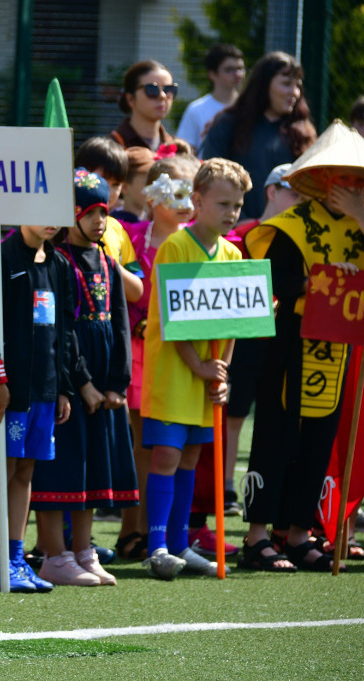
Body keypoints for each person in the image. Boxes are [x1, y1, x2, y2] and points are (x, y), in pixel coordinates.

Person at [241, 121, 364, 572]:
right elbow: (275, 279)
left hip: (341, 352)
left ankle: (299, 533)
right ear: (321, 178)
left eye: (360, 179)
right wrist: (325, 281)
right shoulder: (290, 226)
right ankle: (257, 536)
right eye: (342, 176)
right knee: (276, 436)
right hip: (289, 345)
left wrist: (361, 219)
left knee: (319, 442)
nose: (351, 186)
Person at [140, 158, 250, 579]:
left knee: (190, 457)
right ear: (197, 200)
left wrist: (219, 373)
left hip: (205, 377)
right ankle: (157, 546)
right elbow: (172, 320)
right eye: (223, 203)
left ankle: (181, 542)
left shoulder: (233, 253)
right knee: (167, 454)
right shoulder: (175, 247)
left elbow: (235, 323)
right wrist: (199, 367)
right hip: (174, 372)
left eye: (238, 205)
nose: (231, 213)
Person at [30, 170, 135, 587]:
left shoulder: (108, 261)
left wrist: (116, 383)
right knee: (62, 466)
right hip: (70, 382)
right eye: (88, 212)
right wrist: (83, 383)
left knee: (92, 466)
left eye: (103, 213)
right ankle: (54, 554)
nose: (98, 221)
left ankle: (84, 550)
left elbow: (122, 323)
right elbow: (62, 329)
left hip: (102, 382)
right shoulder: (55, 263)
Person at [0, 222, 77, 593]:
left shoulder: (60, 264)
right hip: (9, 389)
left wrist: (63, 387)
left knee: (25, 470)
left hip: (44, 390)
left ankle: (15, 559)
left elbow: (64, 331)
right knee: (2, 467)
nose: (49, 219)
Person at [117, 153, 199, 561]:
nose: (187, 203)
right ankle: (133, 530)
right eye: (179, 192)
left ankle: (166, 533)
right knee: (142, 444)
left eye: (193, 193)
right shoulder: (132, 237)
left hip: (185, 358)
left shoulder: (206, 245)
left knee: (180, 447)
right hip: (139, 353)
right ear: (153, 196)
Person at [221, 163, 302, 516]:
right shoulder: (240, 234)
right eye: (294, 192)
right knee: (234, 413)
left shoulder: (301, 238)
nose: (300, 201)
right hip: (242, 338)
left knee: (274, 415)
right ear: (272, 191)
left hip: (281, 338)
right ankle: (224, 487)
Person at [201, 51, 317, 220]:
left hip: (289, 233)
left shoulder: (303, 133)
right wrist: (240, 223)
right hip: (235, 233)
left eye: (298, 85)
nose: (295, 92)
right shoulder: (228, 125)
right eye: (286, 84)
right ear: (264, 85)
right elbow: (210, 182)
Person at [76, 136, 144, 302]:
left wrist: (110, 265)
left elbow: (136, 292)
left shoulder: (117, 229)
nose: (110, 191)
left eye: (116, 185)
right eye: (103, 181)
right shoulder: (65, 227)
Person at [176, 44, 245, 152]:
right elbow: (185, 152)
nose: (238, 74)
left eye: (240, 68)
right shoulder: (196, 109)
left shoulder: (250, 107)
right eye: (229, 70)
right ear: (212, 74)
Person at [111, 60, 177, 154]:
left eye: (169, 89)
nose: (162, 96)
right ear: (130, 99)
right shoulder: (112, 148)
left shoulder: (176, 148)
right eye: (152, 89)